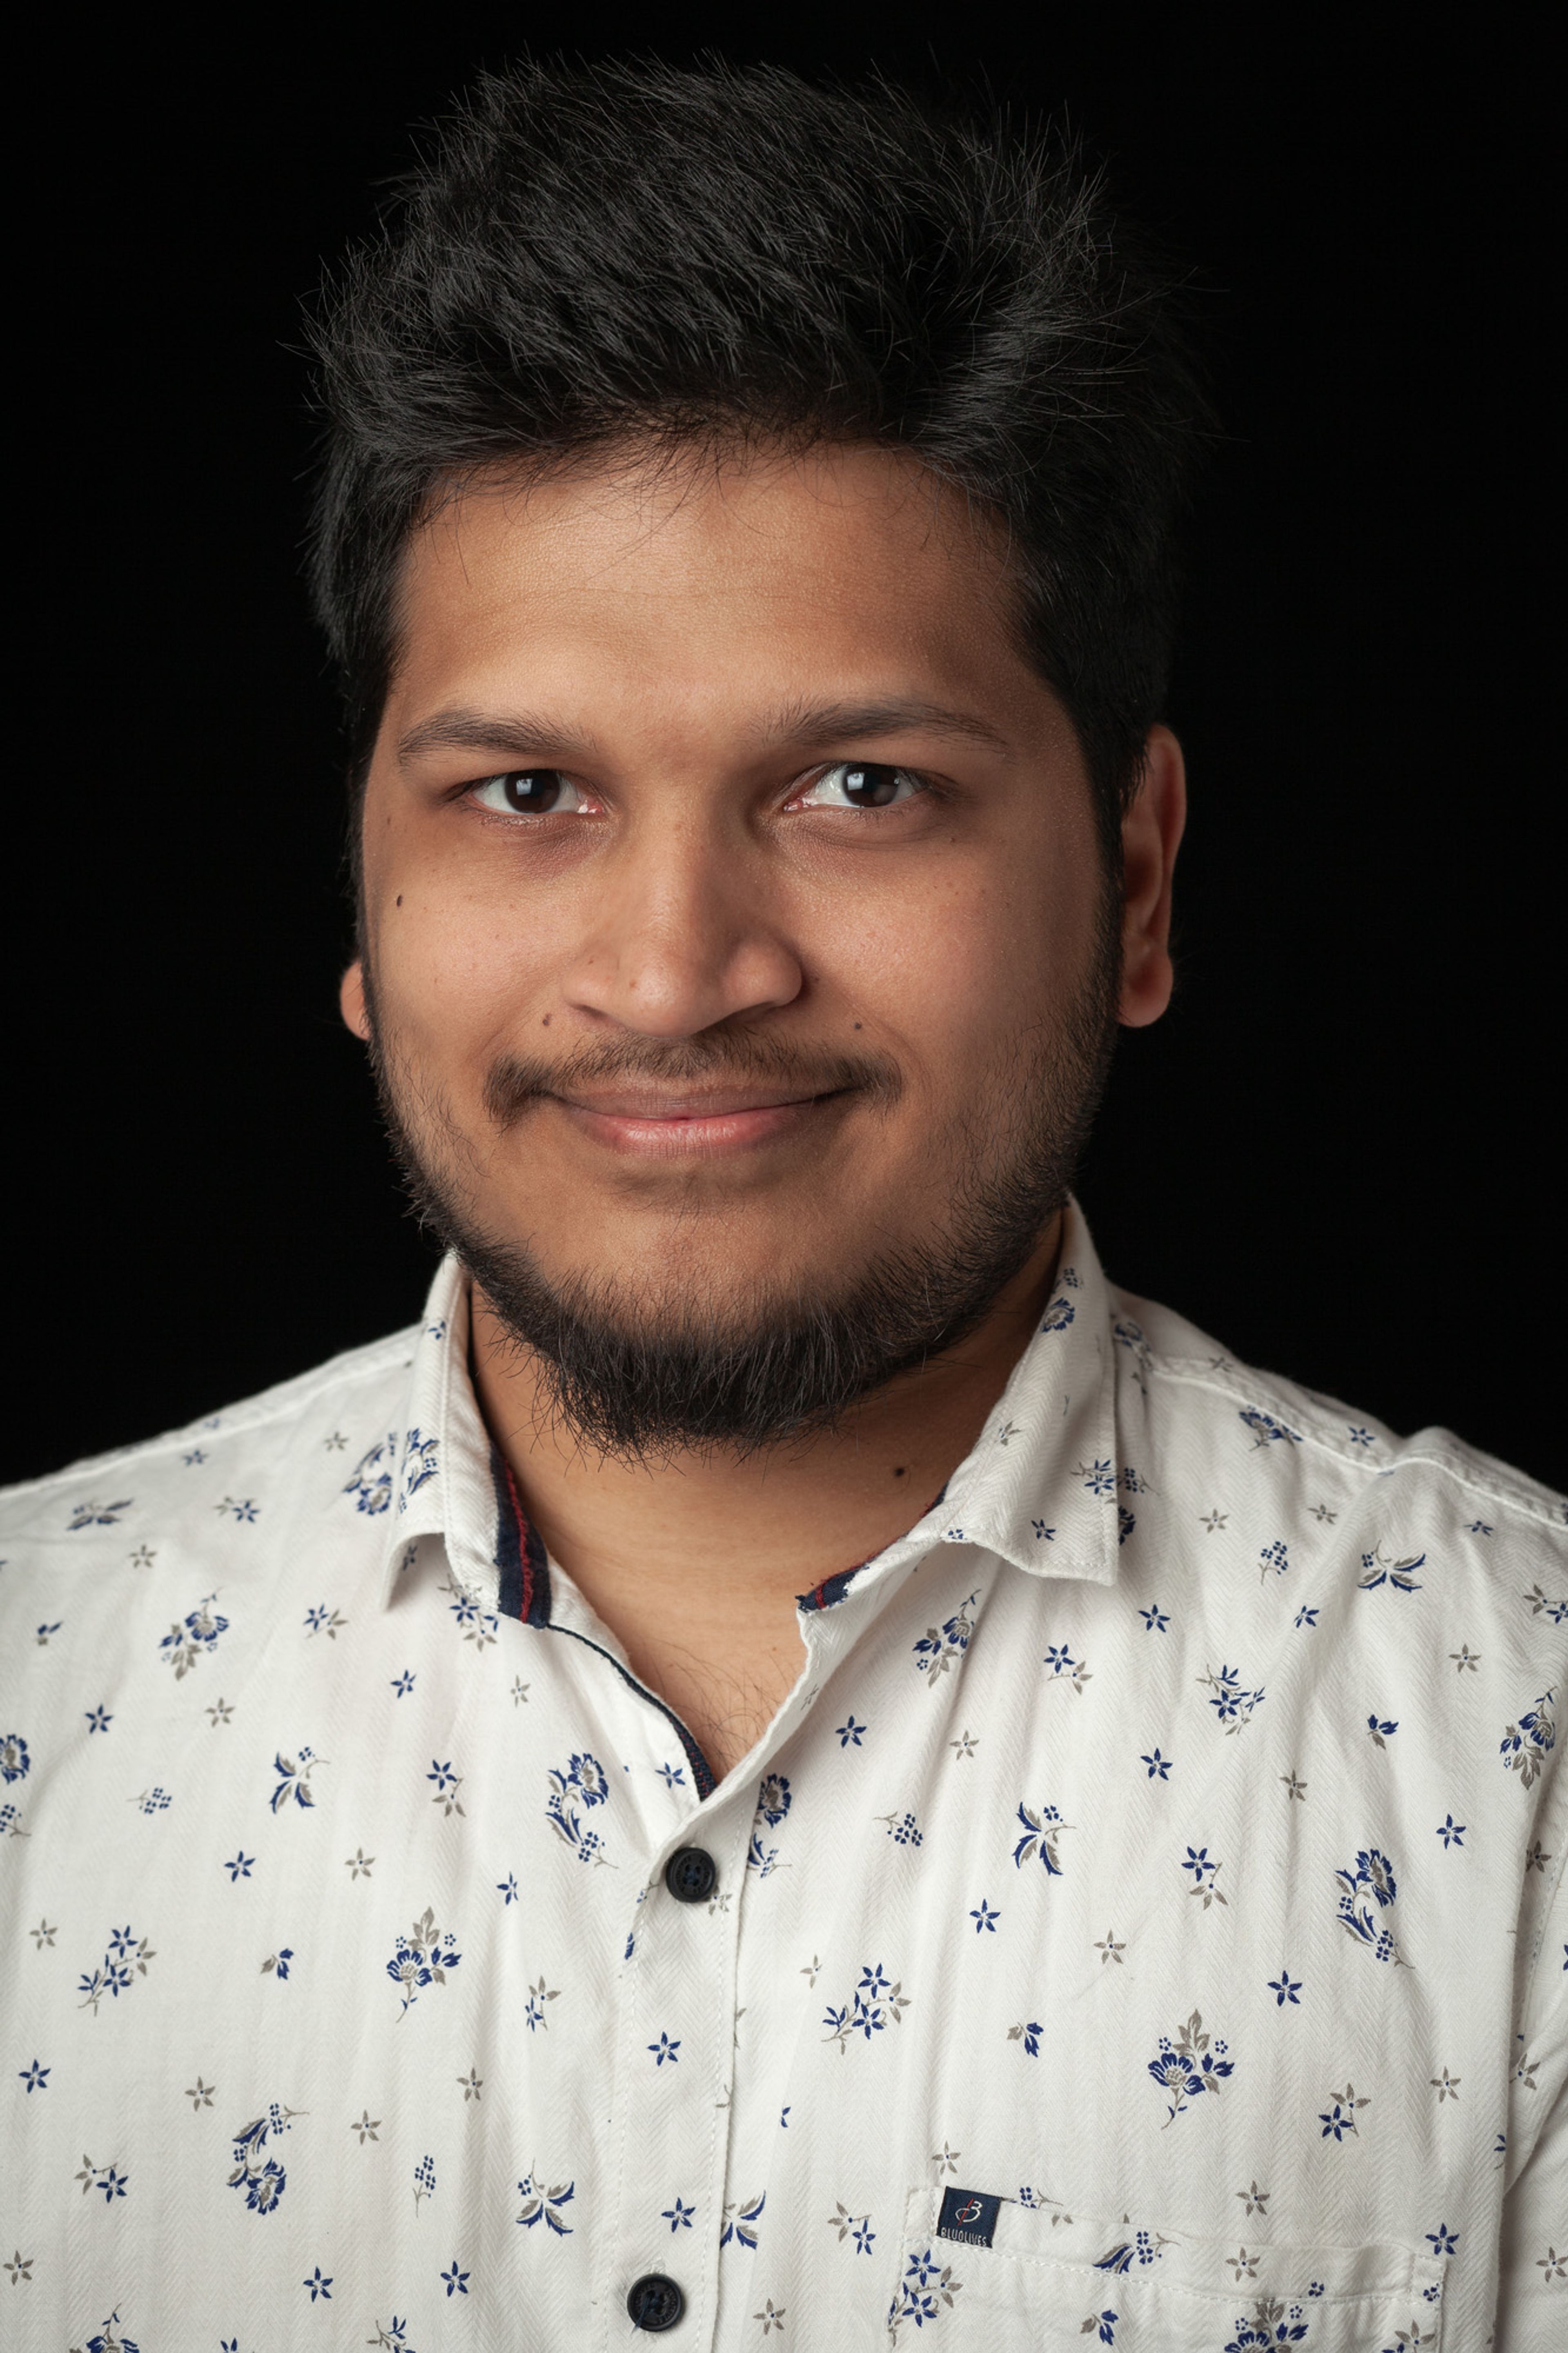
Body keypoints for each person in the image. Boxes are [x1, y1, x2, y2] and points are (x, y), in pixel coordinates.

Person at [2, 56, 1561, 2353]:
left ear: (1136, 875)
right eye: (526, 789)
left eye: (860, 785)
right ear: (362, 887)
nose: (673, 972)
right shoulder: (34, 1703)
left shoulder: (1522, 1768)